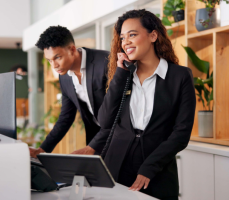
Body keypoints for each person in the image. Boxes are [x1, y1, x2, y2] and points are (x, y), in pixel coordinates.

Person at [80, 9, 196, 200]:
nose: (126, 42)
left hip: (157, 168)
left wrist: (150, 167)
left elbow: (181, 133)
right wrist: (120, 73)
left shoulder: (180, 76)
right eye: (123, 37)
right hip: (116, 166)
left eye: (132, 35)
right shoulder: (123, 76)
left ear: (153, 35)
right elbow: (105, 120)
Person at [29, 25, 109, 157]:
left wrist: (92, 147)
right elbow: (66, 117)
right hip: (96, 139)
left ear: (72, 49)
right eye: (49, 60)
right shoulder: (64, 76)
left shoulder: (105, 62)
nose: (54, 66)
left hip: (121, 137)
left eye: (57, 58)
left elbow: (120, 112)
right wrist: (42, 149)